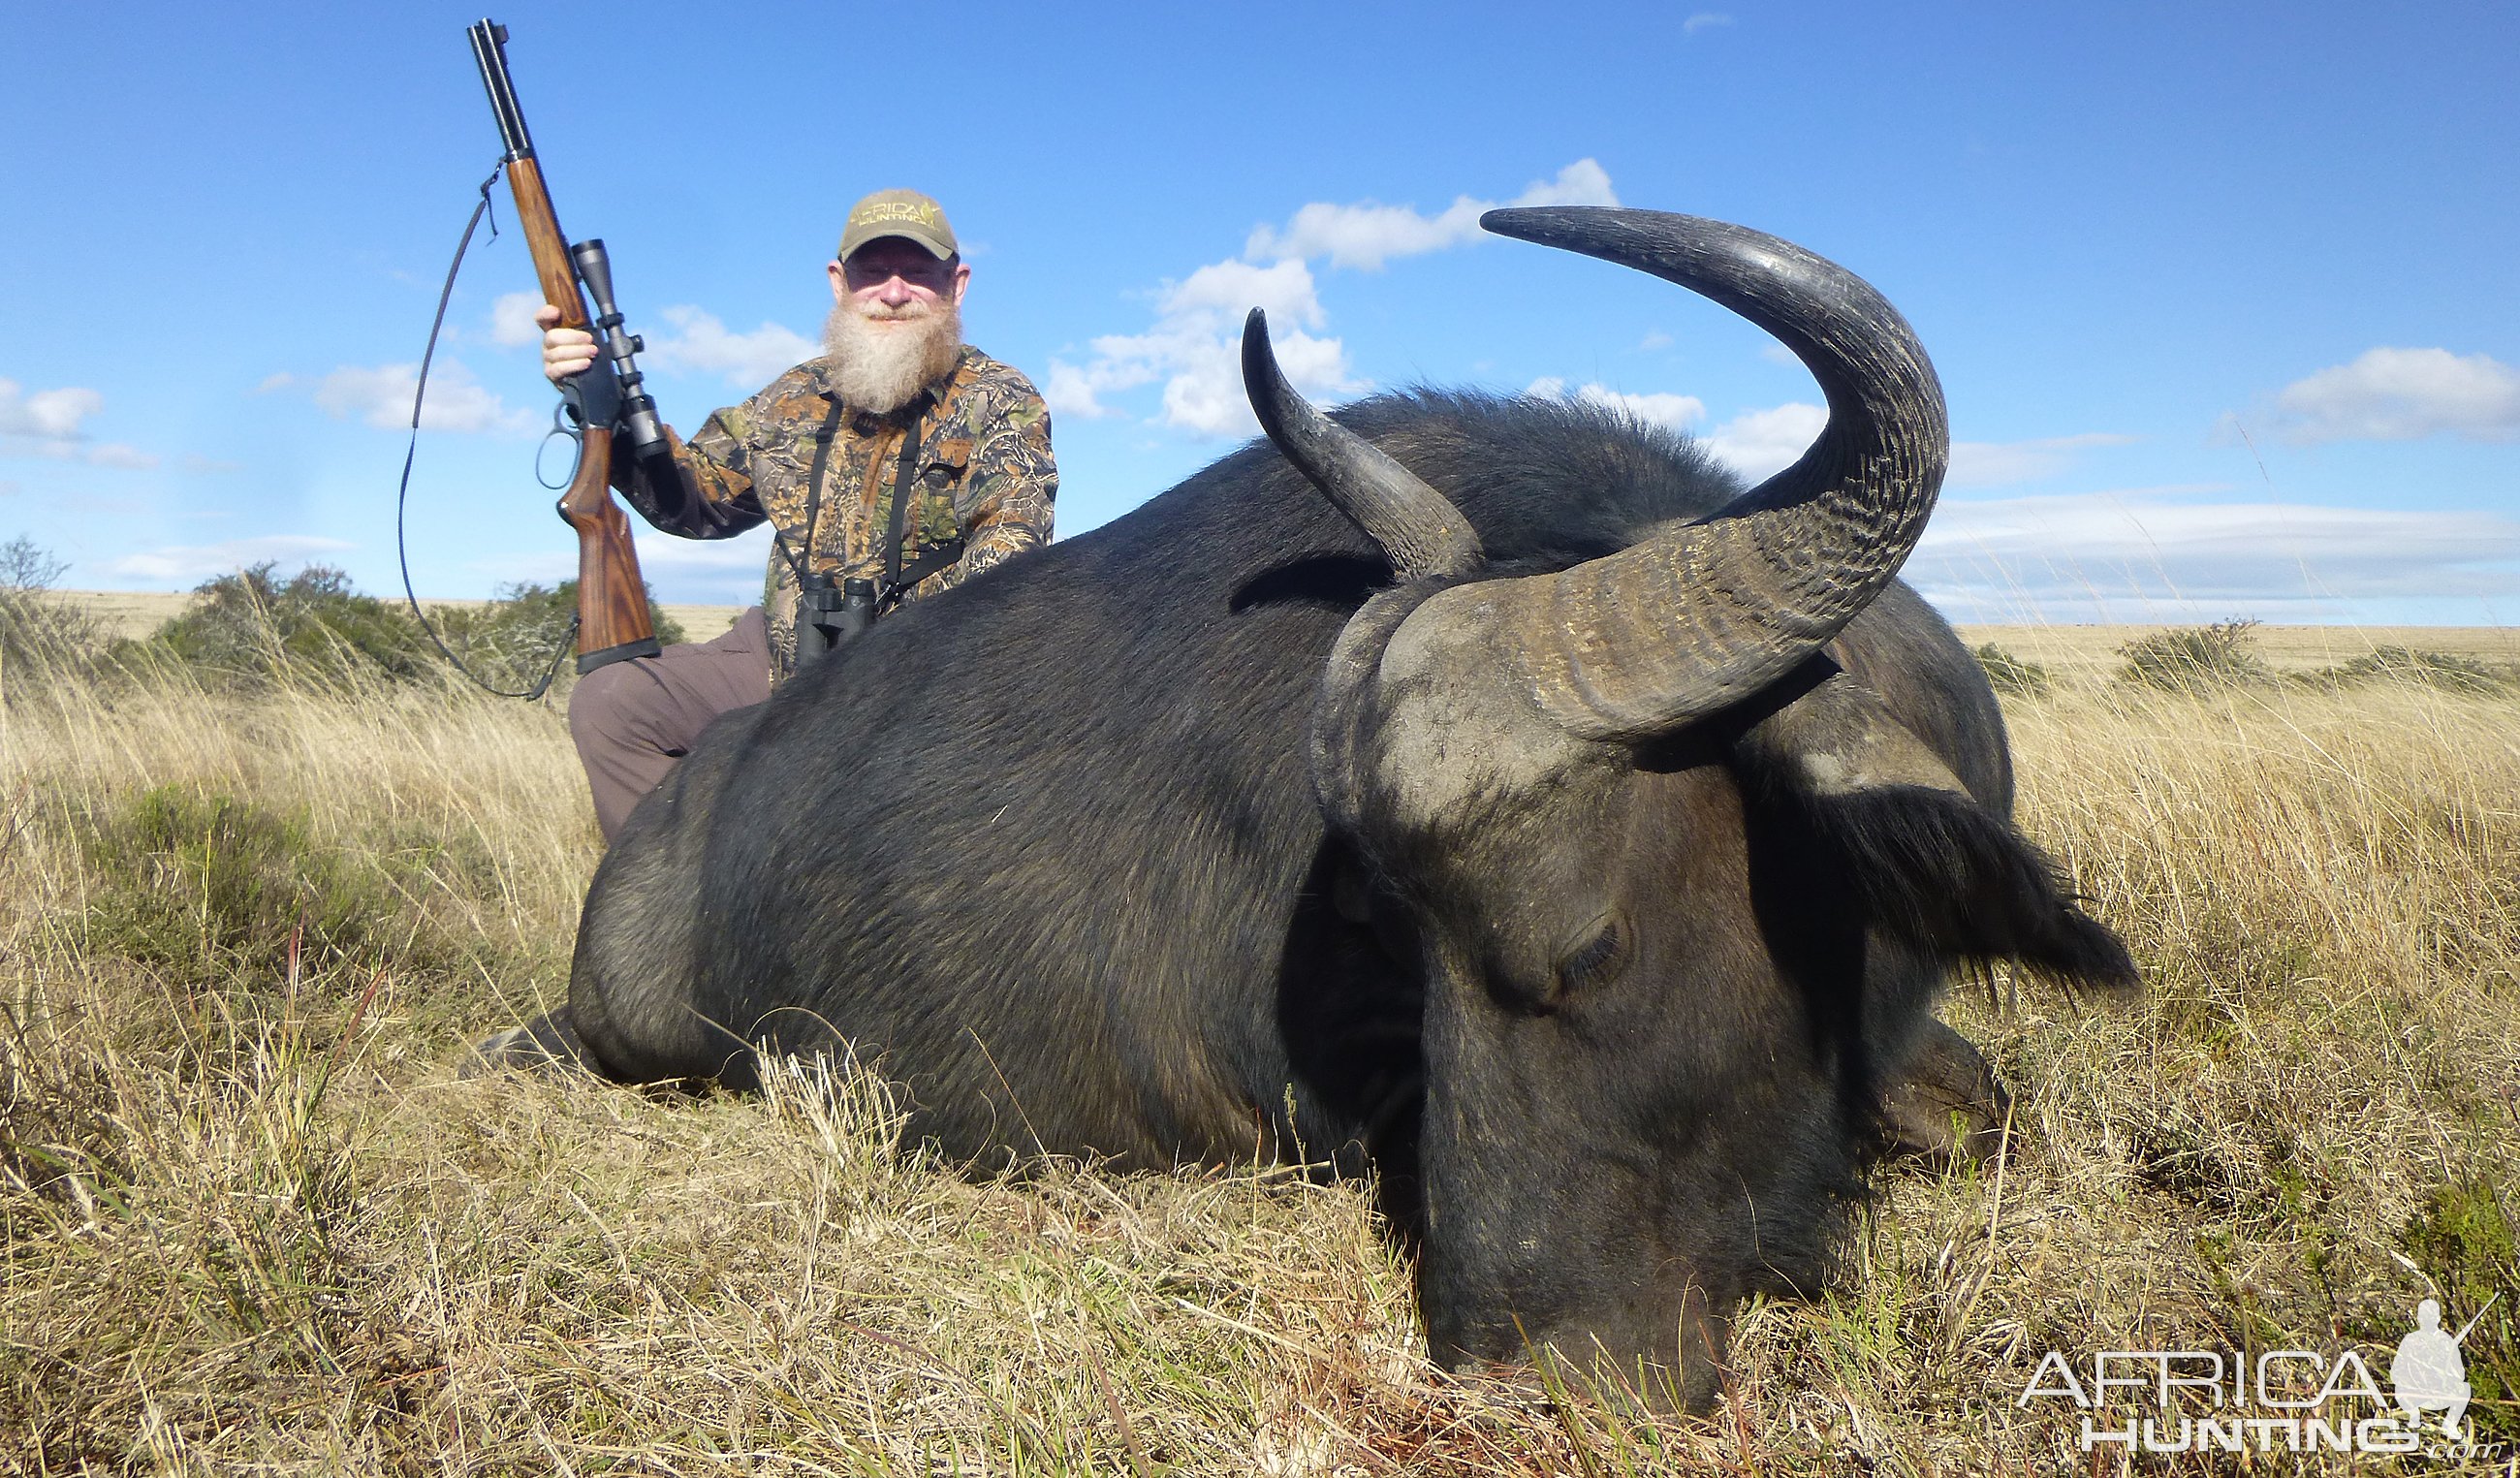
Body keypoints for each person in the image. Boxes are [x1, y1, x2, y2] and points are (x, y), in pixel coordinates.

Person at [536, 189, 1057, 839]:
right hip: (780, 656)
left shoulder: (999, 397)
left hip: (918, 679)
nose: (894, 292)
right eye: (873, 270)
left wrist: (922, 673)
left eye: (917, 271)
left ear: (956, 284)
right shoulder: (789, 397)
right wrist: (604, 406)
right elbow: (695, 500)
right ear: (840, 282)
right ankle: (686, 906)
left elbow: (1010, 547)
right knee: (612, 704)